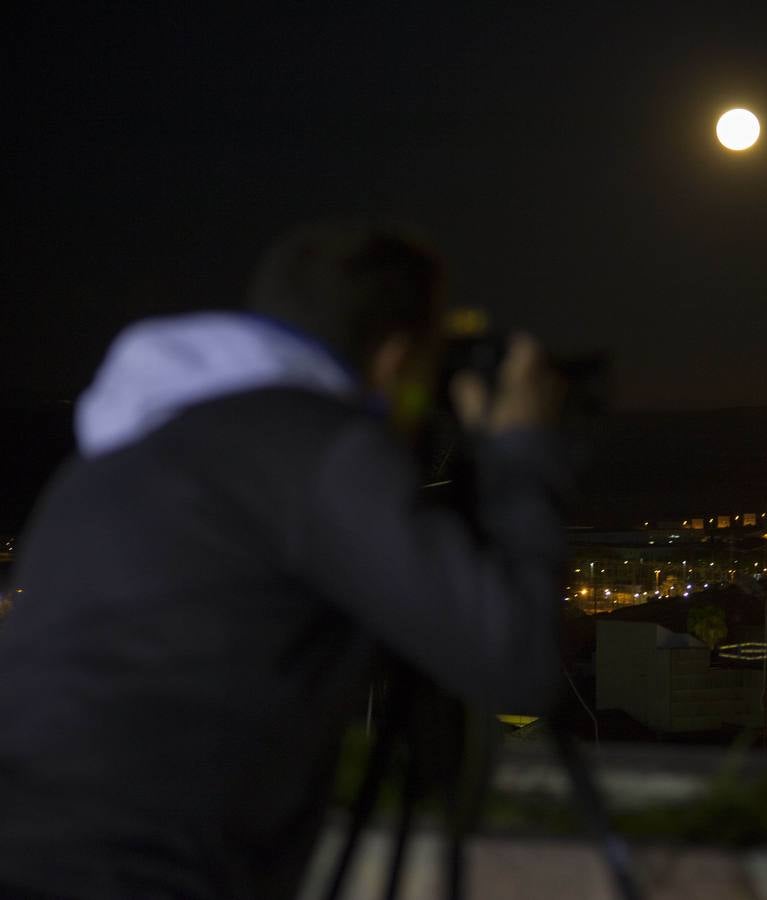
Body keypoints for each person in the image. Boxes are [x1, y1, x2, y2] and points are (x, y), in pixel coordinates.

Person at [0, 221, 570, 898]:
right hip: (146, 873)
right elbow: (517, 660)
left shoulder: (129, 448)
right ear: (393, 357)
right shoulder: (315, 449)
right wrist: (522, 448)